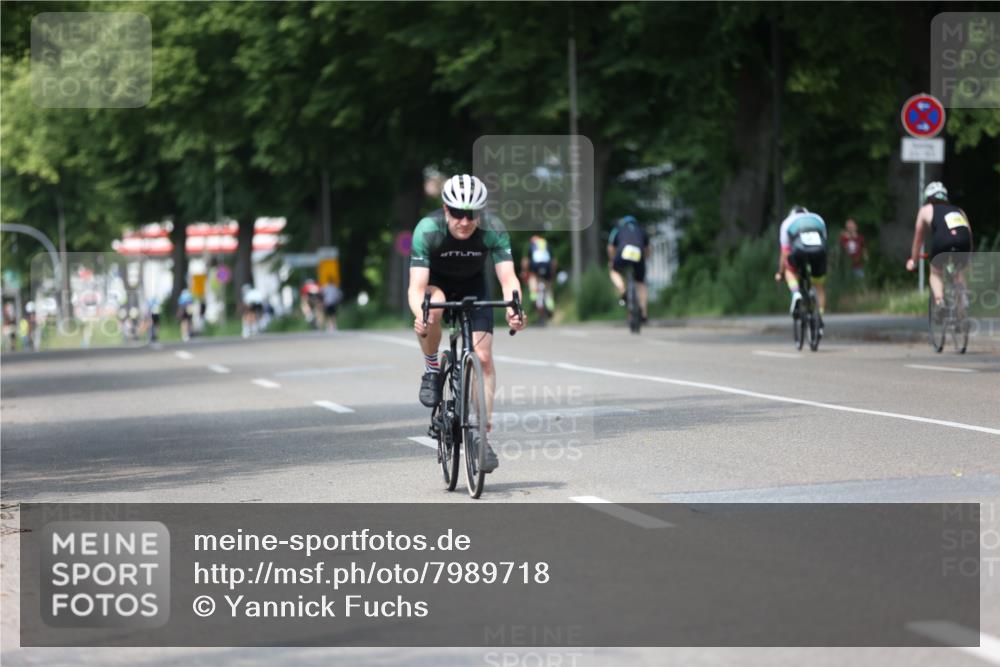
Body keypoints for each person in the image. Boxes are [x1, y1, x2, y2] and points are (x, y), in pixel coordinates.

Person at [408, 173, 525, 473]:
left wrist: (515, 307)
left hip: (474, 287)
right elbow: (416, 287)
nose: (464, 221)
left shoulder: (492, 229)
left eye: (471, 214)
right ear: (446, 209)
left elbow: (508, 277)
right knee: (434, 305)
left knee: (484, 358)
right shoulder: (428, 229)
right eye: (457, 213)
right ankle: (432, 368)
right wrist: (420, 315)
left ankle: (481, 436)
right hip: (436, 286)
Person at [905, 182, 973, 307]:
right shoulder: (959, 210)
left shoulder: (926, 210)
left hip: (943, 242)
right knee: (959, 271)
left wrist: (913, 261)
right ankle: (963, 300)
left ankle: (939, 299)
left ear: (928, 198)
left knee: (936, 272)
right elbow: (968, 233)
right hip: (964, 242)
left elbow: (918, 240)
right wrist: (968, 256)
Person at [775, 205, 828, 330]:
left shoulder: (787, 222)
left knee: (790, 270)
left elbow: (785, 252)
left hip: (799, 252)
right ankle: (819, 316)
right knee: (819, 286)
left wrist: (780, 272)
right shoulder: (817, 218)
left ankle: (796, 294)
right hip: (819, 252)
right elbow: (824, 241)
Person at [607, 215, 650, 321]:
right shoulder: (641, 230)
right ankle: (644, 313)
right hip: (638, 254)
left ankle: (622, 290)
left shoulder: (617, 230)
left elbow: (611, 247)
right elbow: (647, 249)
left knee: (614, 271)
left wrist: (612, 260)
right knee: (640, 282)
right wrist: (644, 261)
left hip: (623, 252)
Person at [520, 235, 556, 316]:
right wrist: (552, 273)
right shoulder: (547, 245)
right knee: (548, 290)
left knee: (532, 280)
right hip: (547, 268)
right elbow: (553, 261)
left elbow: (525, 261)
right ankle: (550, 307)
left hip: (535, 268)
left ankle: (534, 299)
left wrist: (524, 272)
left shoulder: (531, 246)